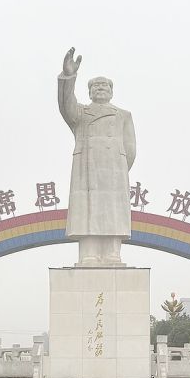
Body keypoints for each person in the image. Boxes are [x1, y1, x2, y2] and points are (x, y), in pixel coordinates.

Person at [57, 47, 137, 266]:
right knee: (88, 213)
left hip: (113, 174)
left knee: (113, 212)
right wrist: (68, 76)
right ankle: (88, 254)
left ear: (111, 91)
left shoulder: (123, 115)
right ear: (90, 91)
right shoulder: (81, 113)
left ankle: (113, 253)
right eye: (96, 86)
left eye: (105, 86)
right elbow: (65, 106)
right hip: (87, 171)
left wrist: (117, 169)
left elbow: (130, 149)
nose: (100, 89)